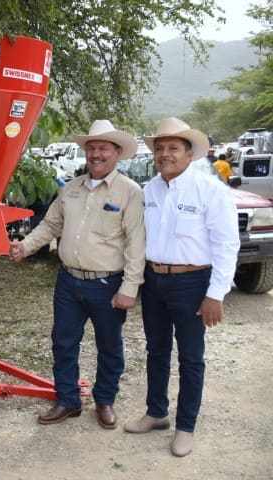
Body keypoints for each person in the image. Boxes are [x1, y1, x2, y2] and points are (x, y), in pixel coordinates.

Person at [9, 120, 145, 429]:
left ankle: (105, 400)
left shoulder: (130, 193)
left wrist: (130, 287)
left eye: (103, 148)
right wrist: (26, 246)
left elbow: (137, 244)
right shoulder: (71, 188)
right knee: (63, 342)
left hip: (107, 284)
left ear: (117, 152)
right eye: (92, 148)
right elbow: (51, 225)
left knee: (109, 346)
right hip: (68, 281)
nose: (96, 154)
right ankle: (68, 400)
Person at [124, 118, 239, 457]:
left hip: (193, 282)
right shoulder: (149, 191)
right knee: (156, 351)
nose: (165, 154)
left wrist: (215, 294)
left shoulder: (210, 190)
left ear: (190, 154)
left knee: (190, 358)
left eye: (173, 148)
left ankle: (185, 426)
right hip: (155, 280)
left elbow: (226, 245)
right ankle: (157, 412)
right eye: (160, 148)